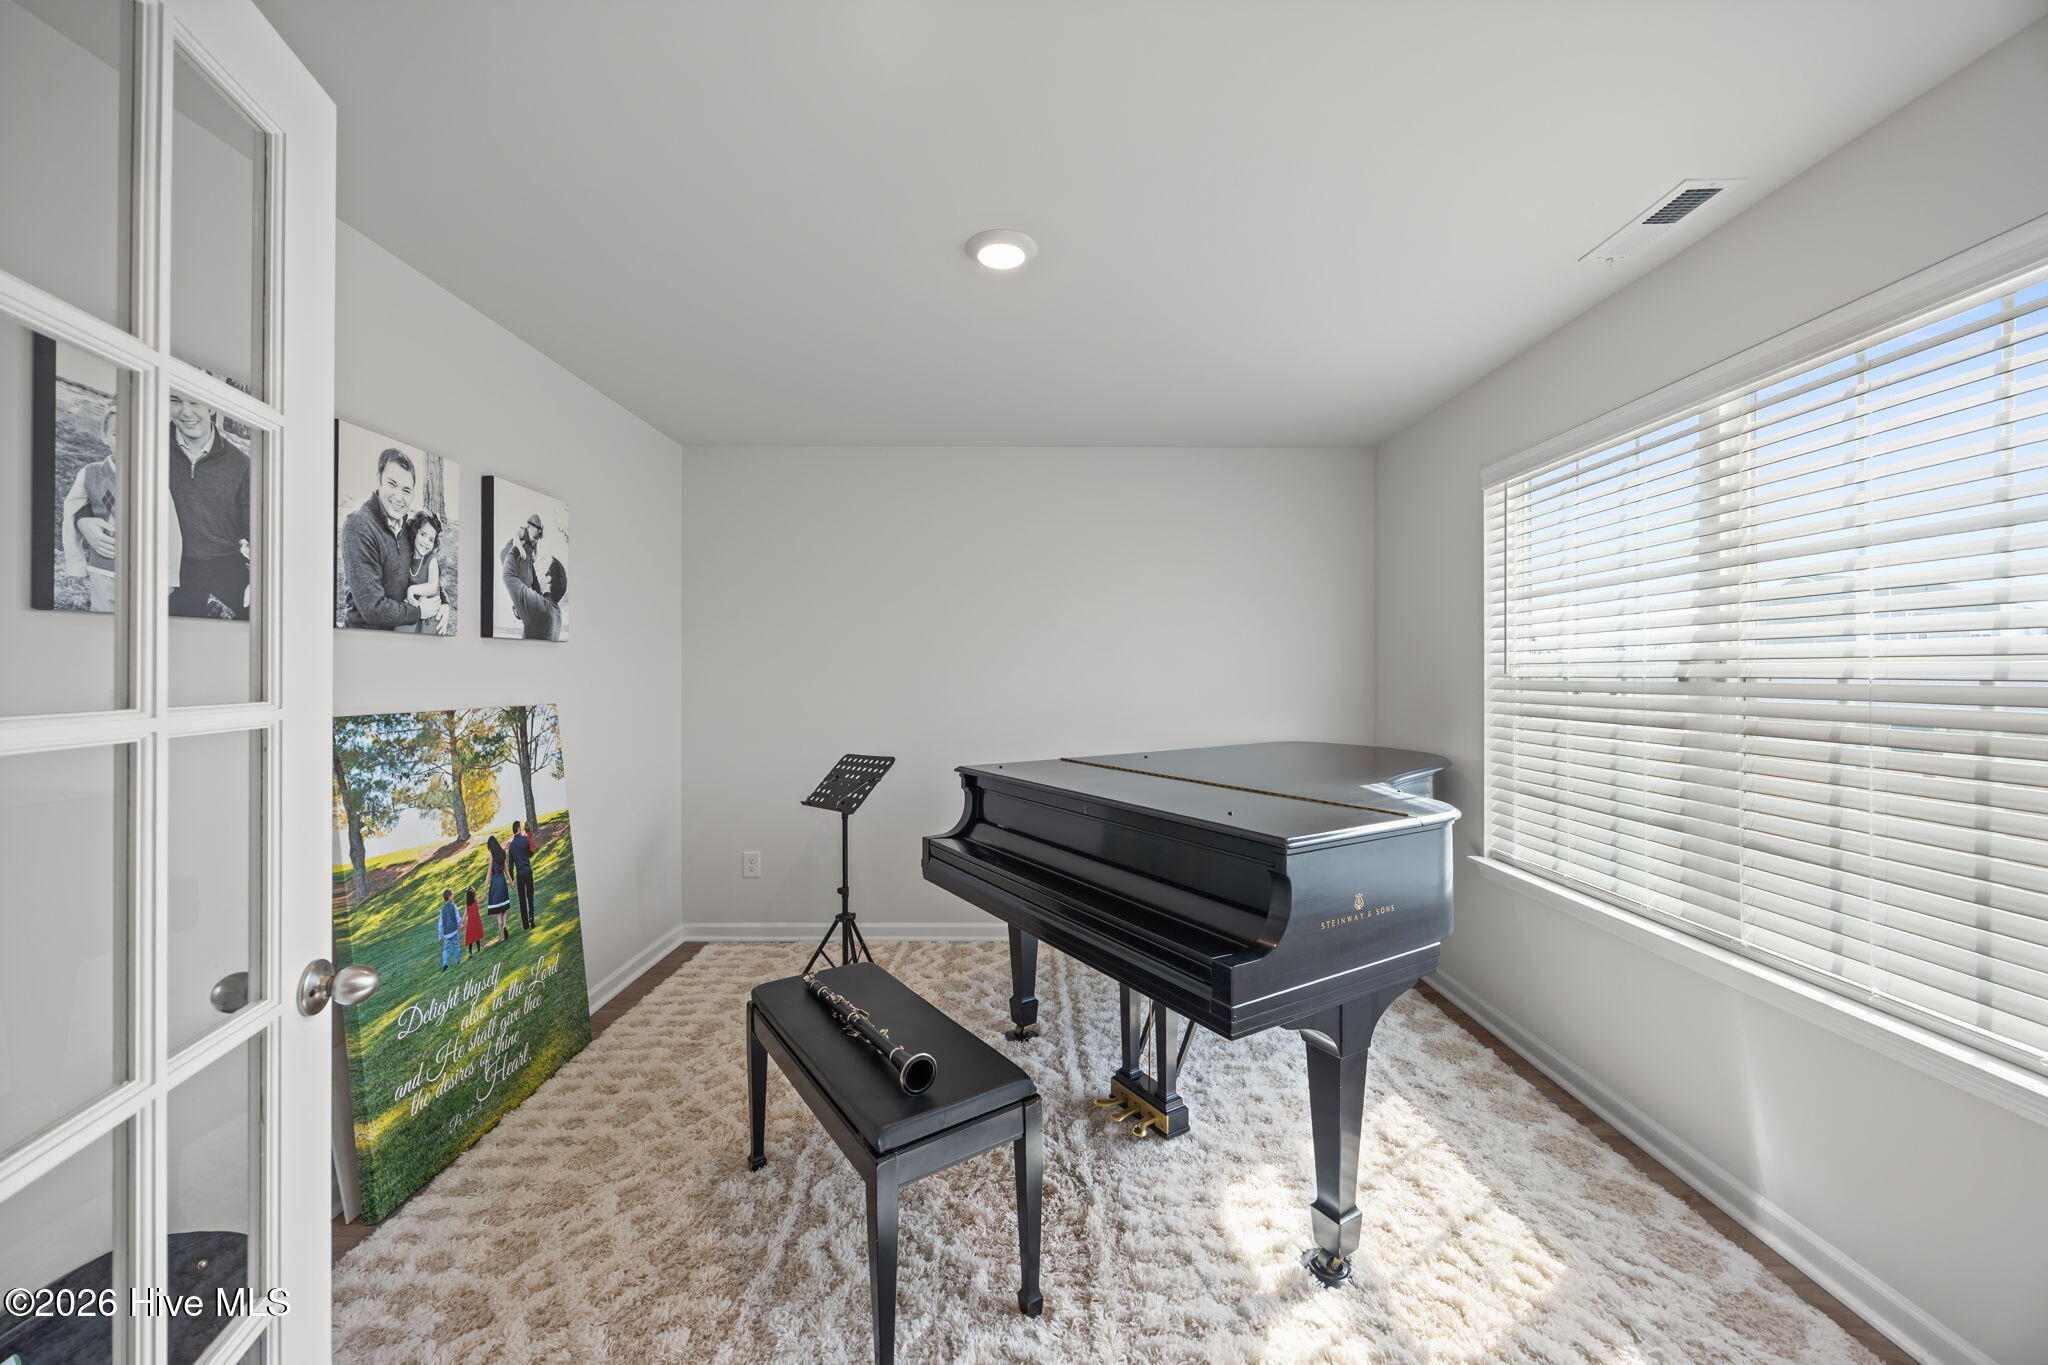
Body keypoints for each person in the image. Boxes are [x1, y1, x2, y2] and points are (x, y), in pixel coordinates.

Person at [341, 447, 447, 631]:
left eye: (406, 490)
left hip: (400, 635)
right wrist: (419, 611)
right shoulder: (359, 526)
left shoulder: (408, 530)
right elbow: (372, 609)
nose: (399, 497)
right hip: (364, 639)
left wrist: (443, 603)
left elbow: (422, 569)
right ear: (379, 479)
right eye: (392, 484)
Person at [166, 393, 251, 619]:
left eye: (194, 402)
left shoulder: (240, 463)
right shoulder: (149, 446)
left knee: (265, 612)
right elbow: (111, 487)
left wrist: (261, 575)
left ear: (212, 407)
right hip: (173, 563)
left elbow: (256, 526)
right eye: (175, 400)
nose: (186, 411)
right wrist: (84, 518)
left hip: (223, 560)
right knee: (182, 630)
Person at [60, 405, 120, 613]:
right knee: (103, 618)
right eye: (116, 434)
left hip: (144, 570)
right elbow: (71, 512)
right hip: (102, 567)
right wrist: (76, 564)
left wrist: (169, 575)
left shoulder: (155, 478)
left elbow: (171, 529)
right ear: (104, 437)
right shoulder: (90, 474)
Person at [395, 510, 447, 635]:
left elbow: (432, 587)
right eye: (422, 534)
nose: (425, 542)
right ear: (414, 533)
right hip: (414, 608)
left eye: (430, 539)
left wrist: (412, 590)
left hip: (429, 615)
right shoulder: (408, 557)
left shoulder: (431, 560)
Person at [504, 555, 567, 641]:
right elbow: (538, 590)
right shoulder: (556, 612)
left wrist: (516, 546)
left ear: (548, 579)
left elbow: (508, 575)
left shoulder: (541, 608)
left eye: (543, 562)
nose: (539, 565)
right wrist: (529, 562)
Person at [508, 820, 538, 931]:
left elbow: (510, 865)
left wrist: (511, 880)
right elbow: (531, 853)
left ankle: (525, 925)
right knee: (530, 896)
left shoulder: (511, 846)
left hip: (519, 874)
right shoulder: (525, 840)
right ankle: (532, 919)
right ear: (519, 829)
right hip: (528, 871)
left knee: (522, 900)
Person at [485, 834, 513, 943]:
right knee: (504, 908)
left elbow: (488, 873)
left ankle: (501, 935)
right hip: (502, 881)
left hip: (495, 882)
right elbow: (506, 870)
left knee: (497, 912)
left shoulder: (492, 856)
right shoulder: (503, 853)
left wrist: (485, 887)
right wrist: (511, 882)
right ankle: (505, 926)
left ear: (490, 846)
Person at [436, 887, 462, 972]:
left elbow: (440, 923)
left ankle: (445, 964)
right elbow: (457, 918)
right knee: (456, 946)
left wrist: (440, 935)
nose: (453, 896)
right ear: (449, 897)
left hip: (446, 933)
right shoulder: (453, 906)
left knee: (446, 949)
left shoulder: (442, 909)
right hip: (453, 931)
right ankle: (457, 961)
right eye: (452, 895)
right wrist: (460, 925)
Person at [462, 886, 484, 960]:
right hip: (477, 922)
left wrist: (460, 924)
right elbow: (482, 900)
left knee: (471, 938)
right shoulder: (476, 902)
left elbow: (464, 916)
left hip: (471, 924)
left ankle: (470, 953)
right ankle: (478, 949)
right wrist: (485, 894)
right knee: (477, 936)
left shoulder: (467, 906)